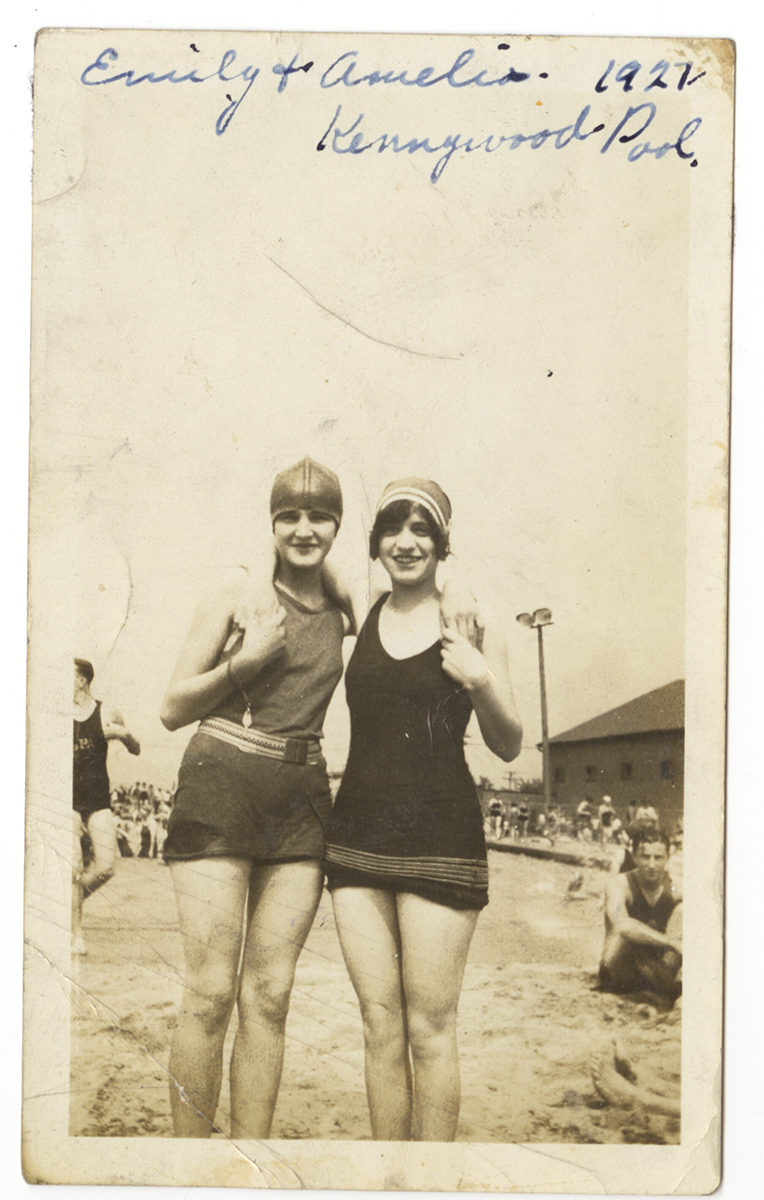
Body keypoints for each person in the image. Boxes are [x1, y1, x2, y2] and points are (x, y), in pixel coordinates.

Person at [160, 460, 484, 1139]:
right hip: (222, 784)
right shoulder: (236, 591)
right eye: (289, 516)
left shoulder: (347, 602)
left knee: (270, 995)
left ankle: (251, 1161)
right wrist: (240, 666)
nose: (305, 529)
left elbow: (413, 585)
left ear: (340, 526)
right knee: (212, 991)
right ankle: (187, 1167)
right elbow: (170, 707)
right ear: (271, 522)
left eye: (320, 516)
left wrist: (460, 596)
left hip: (304, 798)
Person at [324, 478, 523, 1141]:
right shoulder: (363, 602)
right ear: (375, 541)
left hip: (442, 837)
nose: (405, 542)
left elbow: (509, 741)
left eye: (421, 531)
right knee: (379, 1027)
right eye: (392, 529)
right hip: (354, 839)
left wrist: (478, 674)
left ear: (442, 544)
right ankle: (390, 1174)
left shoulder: (472, 622)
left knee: (430, 1031)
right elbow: (303, 545)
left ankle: (432, 1180)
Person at [73, 658, 140, 955]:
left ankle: (67, 901)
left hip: (98, 798)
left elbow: (136, 748)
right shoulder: (57, 714)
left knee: (106, 866)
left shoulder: (106, 711)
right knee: (73, 867)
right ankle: (76, 936)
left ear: (82, 680)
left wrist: (124, 736)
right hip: (68, 800)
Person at [599, 828, 682, 1006]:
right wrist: (672, 942)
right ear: (635, 857)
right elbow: (621, 925)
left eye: (658, 858)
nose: (652, 865)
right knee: (625, 937)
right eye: (645, 857)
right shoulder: (620, 884)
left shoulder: (676, 887)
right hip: (618, 970)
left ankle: (672, 992)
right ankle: (669, 991)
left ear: (668, 858)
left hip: (654, 969)